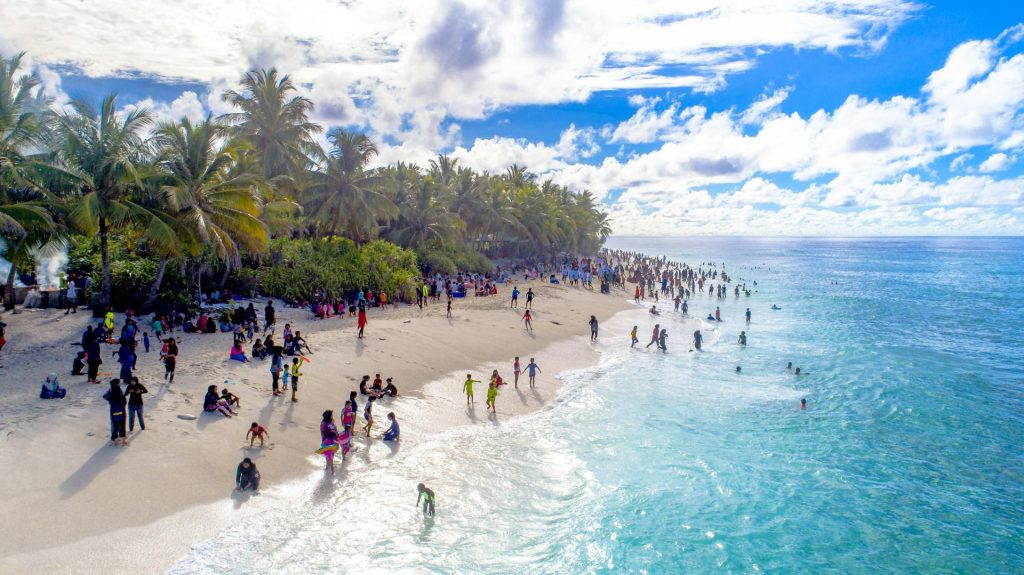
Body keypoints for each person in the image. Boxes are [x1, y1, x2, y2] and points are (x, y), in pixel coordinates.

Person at [103, 379, 128, 446]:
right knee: (122, 425)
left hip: (114, 411)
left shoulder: (111, 391)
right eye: (119, 383)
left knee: (115, 426)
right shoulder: (120, 391)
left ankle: (115, 440)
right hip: (121, 411)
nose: (120, 384)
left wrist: (110, 402)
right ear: (117, 384)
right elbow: (124, 401)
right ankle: (123, 441)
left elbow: (105, 396)